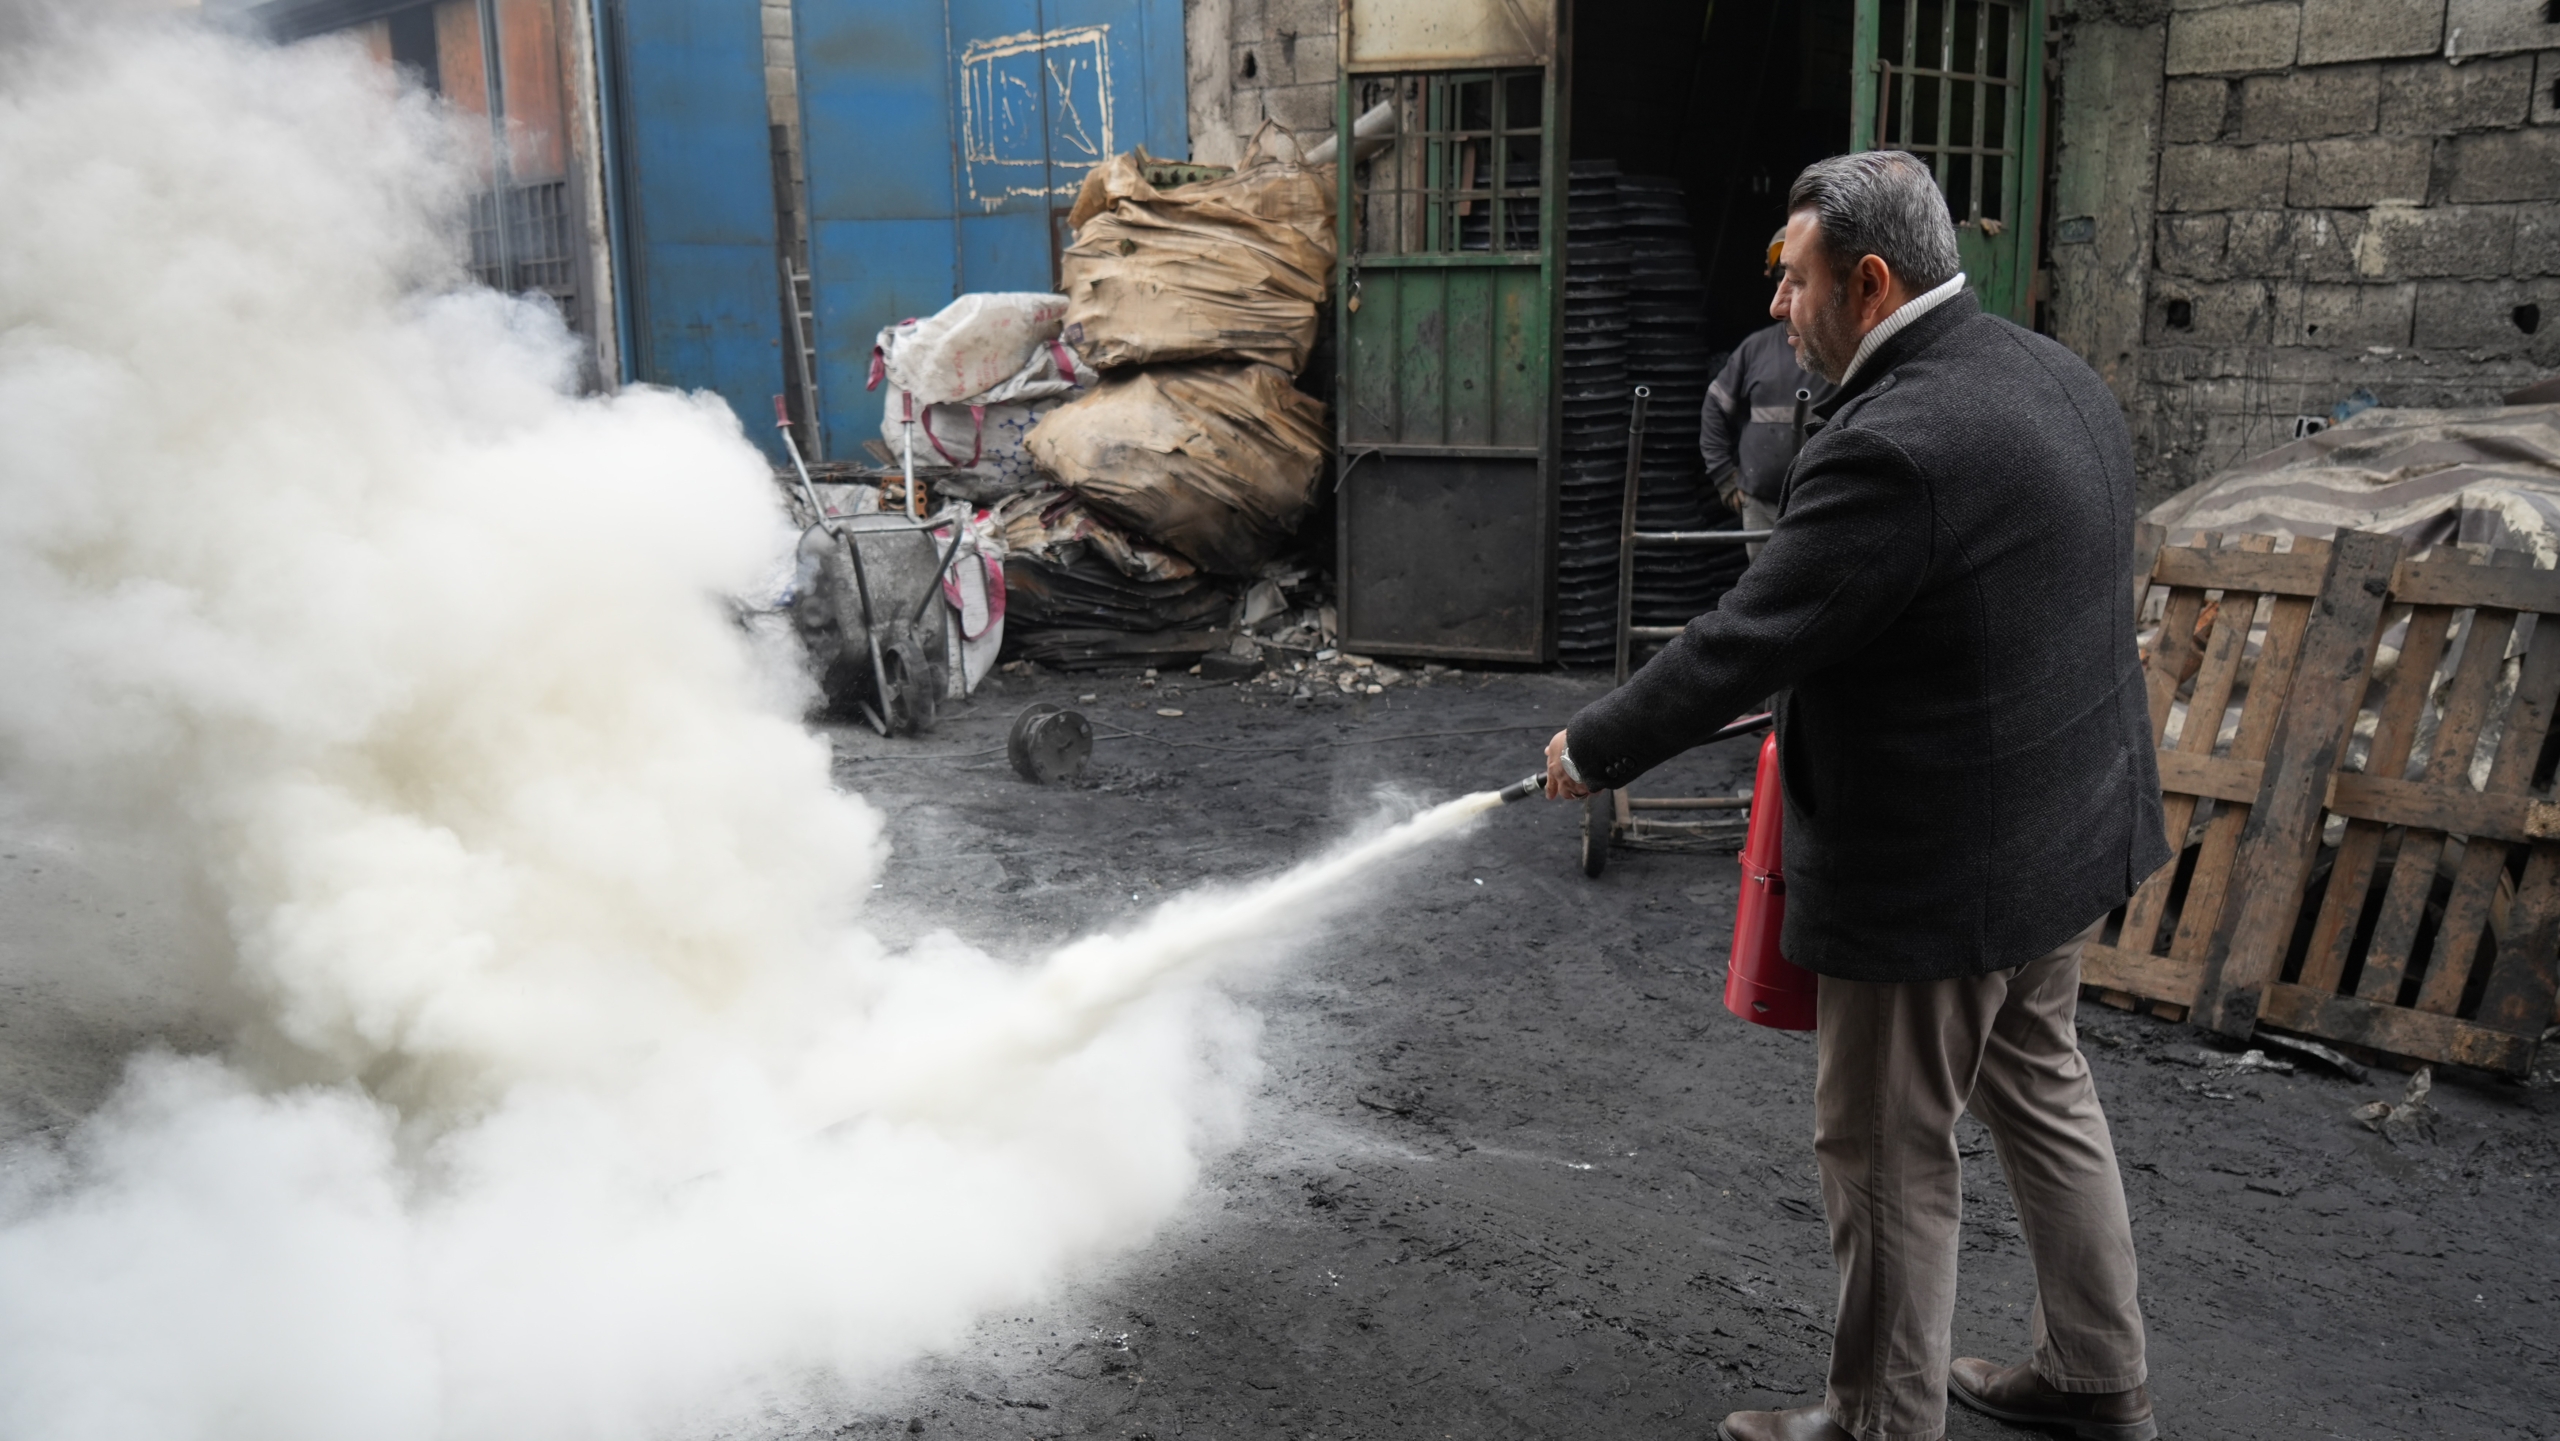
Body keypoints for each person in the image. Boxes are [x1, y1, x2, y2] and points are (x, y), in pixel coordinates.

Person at [1540, 151, 2168, 1441]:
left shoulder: (1892, 447)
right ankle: (2098, 1377)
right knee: (2041, 1087)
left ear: (1869, 283)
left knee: (1884, 1151)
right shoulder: (2050, 373)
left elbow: (1744, 641)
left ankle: (1881, 1421)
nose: (1777, 309)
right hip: (2071, 832)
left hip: (1942, 876)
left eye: (1796, 280)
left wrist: (1594, 746)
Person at [1701, 230, 1837, 558]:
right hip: (1760, 505)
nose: (1784, 293)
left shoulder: (1838, 351)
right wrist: (1725, 477)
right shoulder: (1755, 350)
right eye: (1781, 278)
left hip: (1820, 506)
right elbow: (1714, 409)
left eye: (1799, 279)